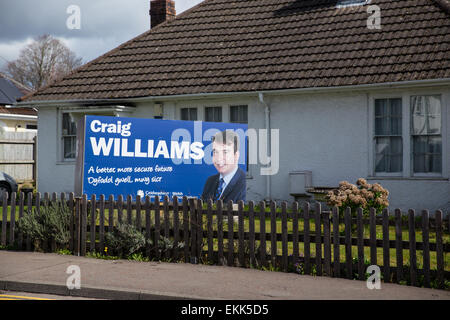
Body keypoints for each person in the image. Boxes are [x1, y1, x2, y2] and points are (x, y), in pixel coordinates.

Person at [201, 130, 246, 203]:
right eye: (215, 152)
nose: (219, 158)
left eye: (225, 152)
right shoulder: (210, 181)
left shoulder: (245, 184)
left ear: (236, 155)